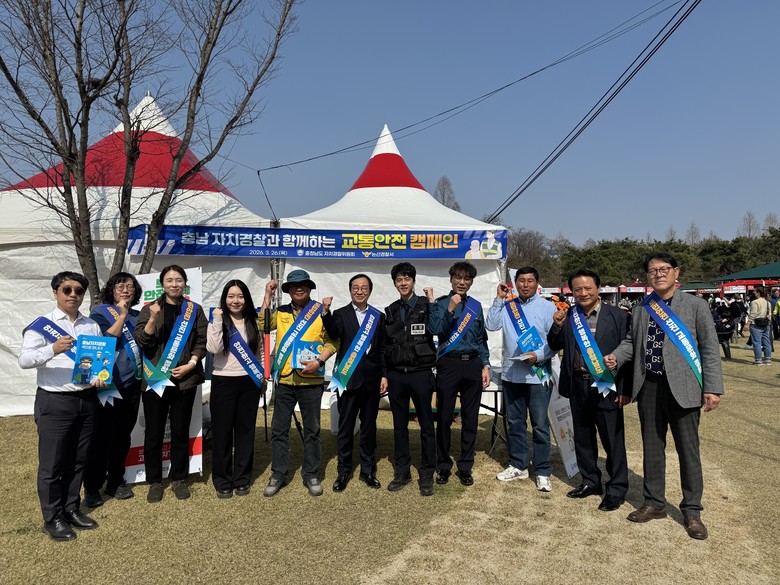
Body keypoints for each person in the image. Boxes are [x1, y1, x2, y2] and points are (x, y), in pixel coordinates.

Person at [605, 253, 723, 540]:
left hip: (684, 388)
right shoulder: (644, 308)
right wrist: (616, 357)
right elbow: (632, 342)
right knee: (652, 448)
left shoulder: (695, 305)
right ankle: (654, 502)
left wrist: (713, 387)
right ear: (647, 276)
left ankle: (692, 510)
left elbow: (709, 347)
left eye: (663, 269)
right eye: (652, 270)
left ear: (676, 272)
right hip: (649, 386)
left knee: (688, 450)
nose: (658, 274)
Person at [19, 271, 104, 541]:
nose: (73, 295)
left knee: (78, 461)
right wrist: (52, 349)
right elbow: (24, 360)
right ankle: (52, 517)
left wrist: (101, 376)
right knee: (52, 465)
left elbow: (99, 360)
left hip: (86, 399)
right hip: (55, 401)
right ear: (55, 292)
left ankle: (71, 509)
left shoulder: (91, 325)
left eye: (78, 291)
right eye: (67, 289)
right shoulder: (41, 326)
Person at [547, 269, 631, 510]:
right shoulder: (569, 315)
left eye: (587, 288)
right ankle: (591, 481)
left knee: (612, 440)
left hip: (607, 385)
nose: (583, 293)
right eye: (577, 289)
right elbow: (554, 344)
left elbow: (629, 354)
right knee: (583, 438)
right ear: (571, 292)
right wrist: (556, 326)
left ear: (598, 289)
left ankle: (616, 488)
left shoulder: (618, 316)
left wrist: (624, 389)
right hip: (577, 384)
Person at [259, 270, 336, 497]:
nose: (298, 288)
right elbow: (261, 324)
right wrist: (267, 295)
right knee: (279, 430)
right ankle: (278, 473)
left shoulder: (321, 312)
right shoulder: (281, 312)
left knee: (312, 430)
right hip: (284, 380)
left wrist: (319, 361)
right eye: (294, 286)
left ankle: (311, 473)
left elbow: (333, 342)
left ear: (310, 288)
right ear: (289, 290)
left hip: (311, 380)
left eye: (303, 285)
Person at [134, 265, 208, 503]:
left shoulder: (194, 310)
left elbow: (202, 340)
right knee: (154, 433)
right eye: (169, 280)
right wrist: (153, 318)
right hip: (156, 379)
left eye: (178, 280)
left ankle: (179, 478)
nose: (174, 284)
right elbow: (142, 342)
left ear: (184, 283)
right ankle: (155, 481)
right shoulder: (149, 309)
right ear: (162, 284)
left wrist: (192, 362)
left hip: (184, 379)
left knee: (179, 431)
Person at [486, 267, 556, 492]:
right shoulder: (507, 306)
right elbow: (491, 325)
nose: (525, 285)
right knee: (515, 423)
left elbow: (555, 341)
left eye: (530, 281)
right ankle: (518, 464)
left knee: (540, 425)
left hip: (538, 374)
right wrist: (499, 298)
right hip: (511, 373)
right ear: (515, 283)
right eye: (521, 281)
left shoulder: (548, 307)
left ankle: (543, 469)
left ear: (537, 283)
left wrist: (539, 355)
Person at [427, 261, 491, 487]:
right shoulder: (441, 303)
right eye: (458, 278)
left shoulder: (476, 306)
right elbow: (436, 331)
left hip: (473, 365)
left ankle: (465, 466)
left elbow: (481, 339)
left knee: (470, 419)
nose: (462, 282)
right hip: (448, 365)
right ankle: (443, 466)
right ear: (451, 279)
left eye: (467, 279)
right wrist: (450, 310)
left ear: (471, 282)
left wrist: (486, 365)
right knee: (444, 418)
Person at [83, 272, 143, 507]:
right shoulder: (100, 313)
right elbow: (107, 341)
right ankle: (92, 487)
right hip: (107, 385)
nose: (125, 289)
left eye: (130, 286)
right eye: (120, 286)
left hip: (132, 384)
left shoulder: (139, 315)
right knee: (101, 437)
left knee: (122, 437)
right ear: (112, 290)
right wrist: (122, 314)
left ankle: (116, 481)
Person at [322, 274, 387, 491]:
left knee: (369, 427)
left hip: (371, 379)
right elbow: (333, 332)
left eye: (364, 287)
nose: (360, 291)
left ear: (370, 290)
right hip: (347, 378)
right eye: (356, 288)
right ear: (350, 290)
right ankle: (344, 471)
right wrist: (326, 313)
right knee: (345, 427)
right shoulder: (340, 314)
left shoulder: (378, 316)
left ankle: (368, 471)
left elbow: (382, 350)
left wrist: (384, 375)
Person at [383, 262, 437, 496]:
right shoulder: (391, 310)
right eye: (399, 280)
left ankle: (426, 473)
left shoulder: (426, 306)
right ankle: (402, 472)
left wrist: (433, 303)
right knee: (399, 426)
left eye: (407, 279)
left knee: (426, 425)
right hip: (397, 375)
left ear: (413, 281)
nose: (403, 283)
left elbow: (436, 329)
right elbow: (386, 346)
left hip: (421, 373)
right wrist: (385, 374)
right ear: (395, 283)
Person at [207, 280, 264, 499]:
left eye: (240, 296)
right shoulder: (218, 320)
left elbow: (258, 352)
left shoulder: (252, 321)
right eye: (231, 296)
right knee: (222, 433)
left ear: (246, 299)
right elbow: (214, 348)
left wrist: (260, 378)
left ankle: (242, 478)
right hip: (223, 382)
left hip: (249, 382)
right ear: (225, 298)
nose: (235, 300)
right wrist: (218, 319)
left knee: (245, 431)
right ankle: (222, 479)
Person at [747, 286, 772, 365]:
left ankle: (758, 360)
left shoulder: (755, 302)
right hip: (766, 323)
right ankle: (768, 359)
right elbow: (769, 314)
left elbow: (753, 314)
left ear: (758, 292)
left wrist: (747, 324)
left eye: (754, 291)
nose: (753, 293)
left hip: (755, 324)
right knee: (766, 342)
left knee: (757, 342)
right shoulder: (768, 302)